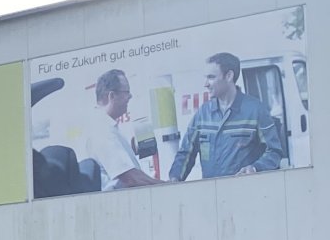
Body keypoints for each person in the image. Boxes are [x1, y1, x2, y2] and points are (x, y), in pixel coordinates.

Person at [168, 52, 285, 180]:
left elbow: (274, 152)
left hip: (245, 192)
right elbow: (186, 153)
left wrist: (255, 167)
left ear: (229, 76)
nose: (205, 83)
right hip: (212, 193)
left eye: (211, 77)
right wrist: (175, 178)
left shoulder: (255, 110)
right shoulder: (203, 113)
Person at [89, 69, 160, 190]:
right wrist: (166, 186)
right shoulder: (102, 130)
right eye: (126, 92)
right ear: (112, 96)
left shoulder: (105, 127)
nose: (130, 96)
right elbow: (129, 177)